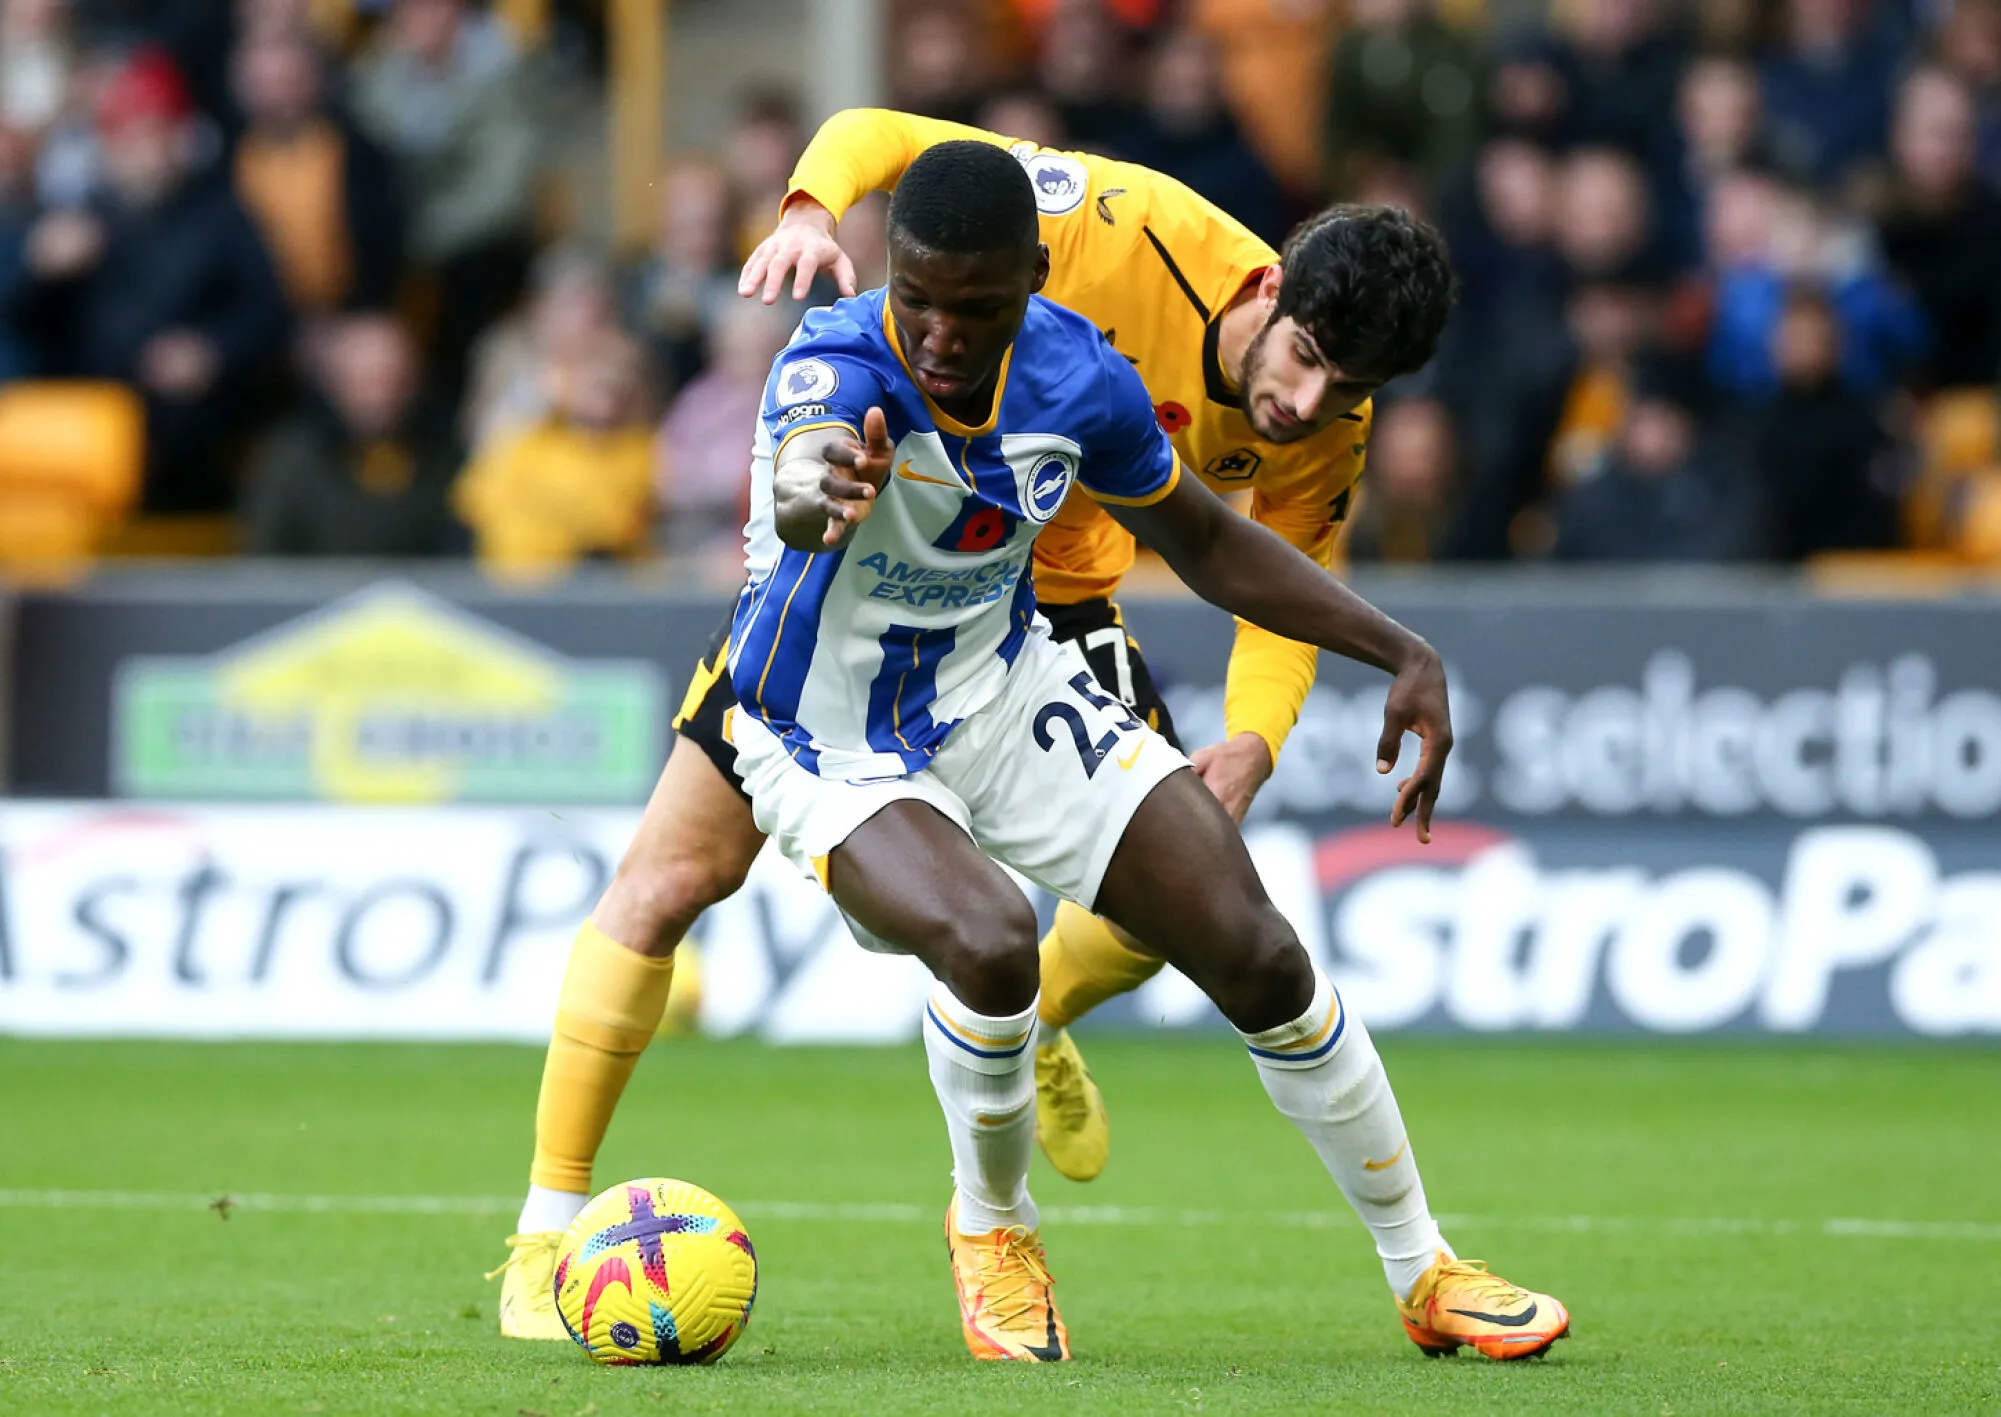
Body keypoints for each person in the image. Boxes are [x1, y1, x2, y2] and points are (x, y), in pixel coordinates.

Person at [493, 121, 1569, 1364]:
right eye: (924, 303)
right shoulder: (835, 362)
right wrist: (819, 485)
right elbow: (801, 466)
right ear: (894, 275)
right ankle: (989, 1228)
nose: (945, 338)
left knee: (1256, 944)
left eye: (981, 310)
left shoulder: (1080, 375)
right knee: (987, 938)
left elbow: (1212, 544)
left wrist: (1402, 649)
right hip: (818, 727)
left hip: (1002, 684)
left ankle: (1425, 1266)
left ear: (1033, 289)